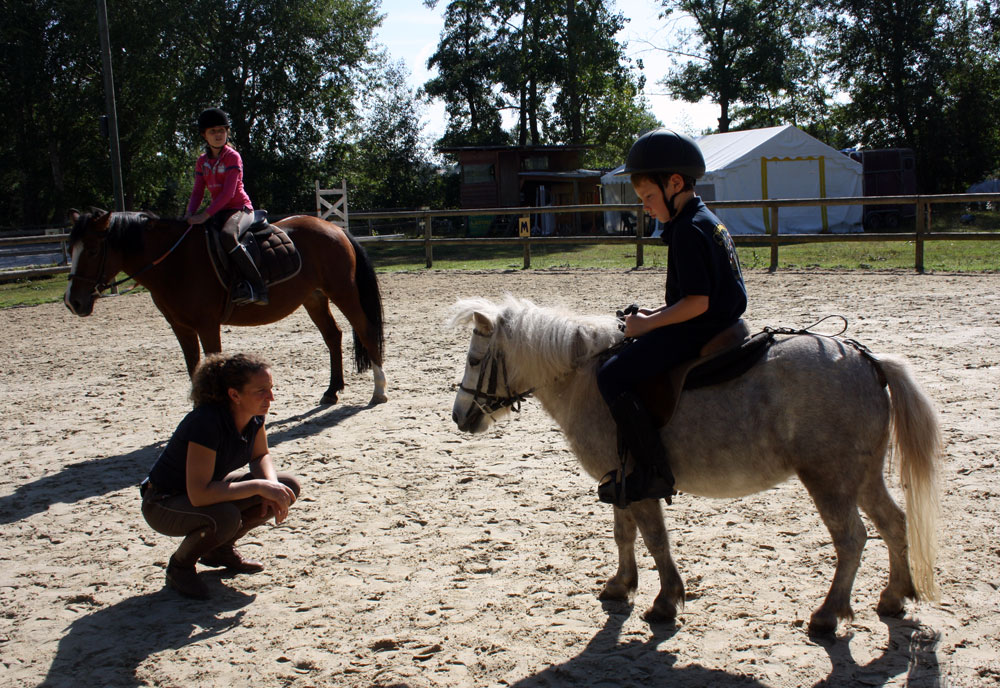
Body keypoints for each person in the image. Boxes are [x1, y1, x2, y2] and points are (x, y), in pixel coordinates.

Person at [596, 128, 747, 508]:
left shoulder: (686, 232)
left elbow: (697, 302)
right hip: (716, 321)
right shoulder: (706, 220)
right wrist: (653, 314)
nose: (646, 206)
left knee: (611, 374)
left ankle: (654, 471)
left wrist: (647, 325)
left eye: (648, 196)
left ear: (674, 183)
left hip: (700, 329)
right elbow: (692, 297)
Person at [140, 352, 300, 599]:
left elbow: (260, 456)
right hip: (163, 503)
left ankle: (219, 550)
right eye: (261, 391)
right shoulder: (206, 422)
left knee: (286, 487)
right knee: (226, 516)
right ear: (234, 395)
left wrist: (269, 485)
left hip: (200, 494)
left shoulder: (254, 416)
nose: (271, 397)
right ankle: (180, 567)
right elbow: (200, 494)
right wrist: (259, 487)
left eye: (271, 388)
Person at [185, 107, 268, 305]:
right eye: (212, 131)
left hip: (240, 209)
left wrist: (205, 215)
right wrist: (188, 215)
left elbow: (229, 193)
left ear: (227, 132)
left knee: (227, 236)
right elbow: (197, 192)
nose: (217, 135)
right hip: (219, 211)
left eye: (221, 130)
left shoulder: (233, 157)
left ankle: (257, 287)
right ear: (204, 135)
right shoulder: (202, 162)